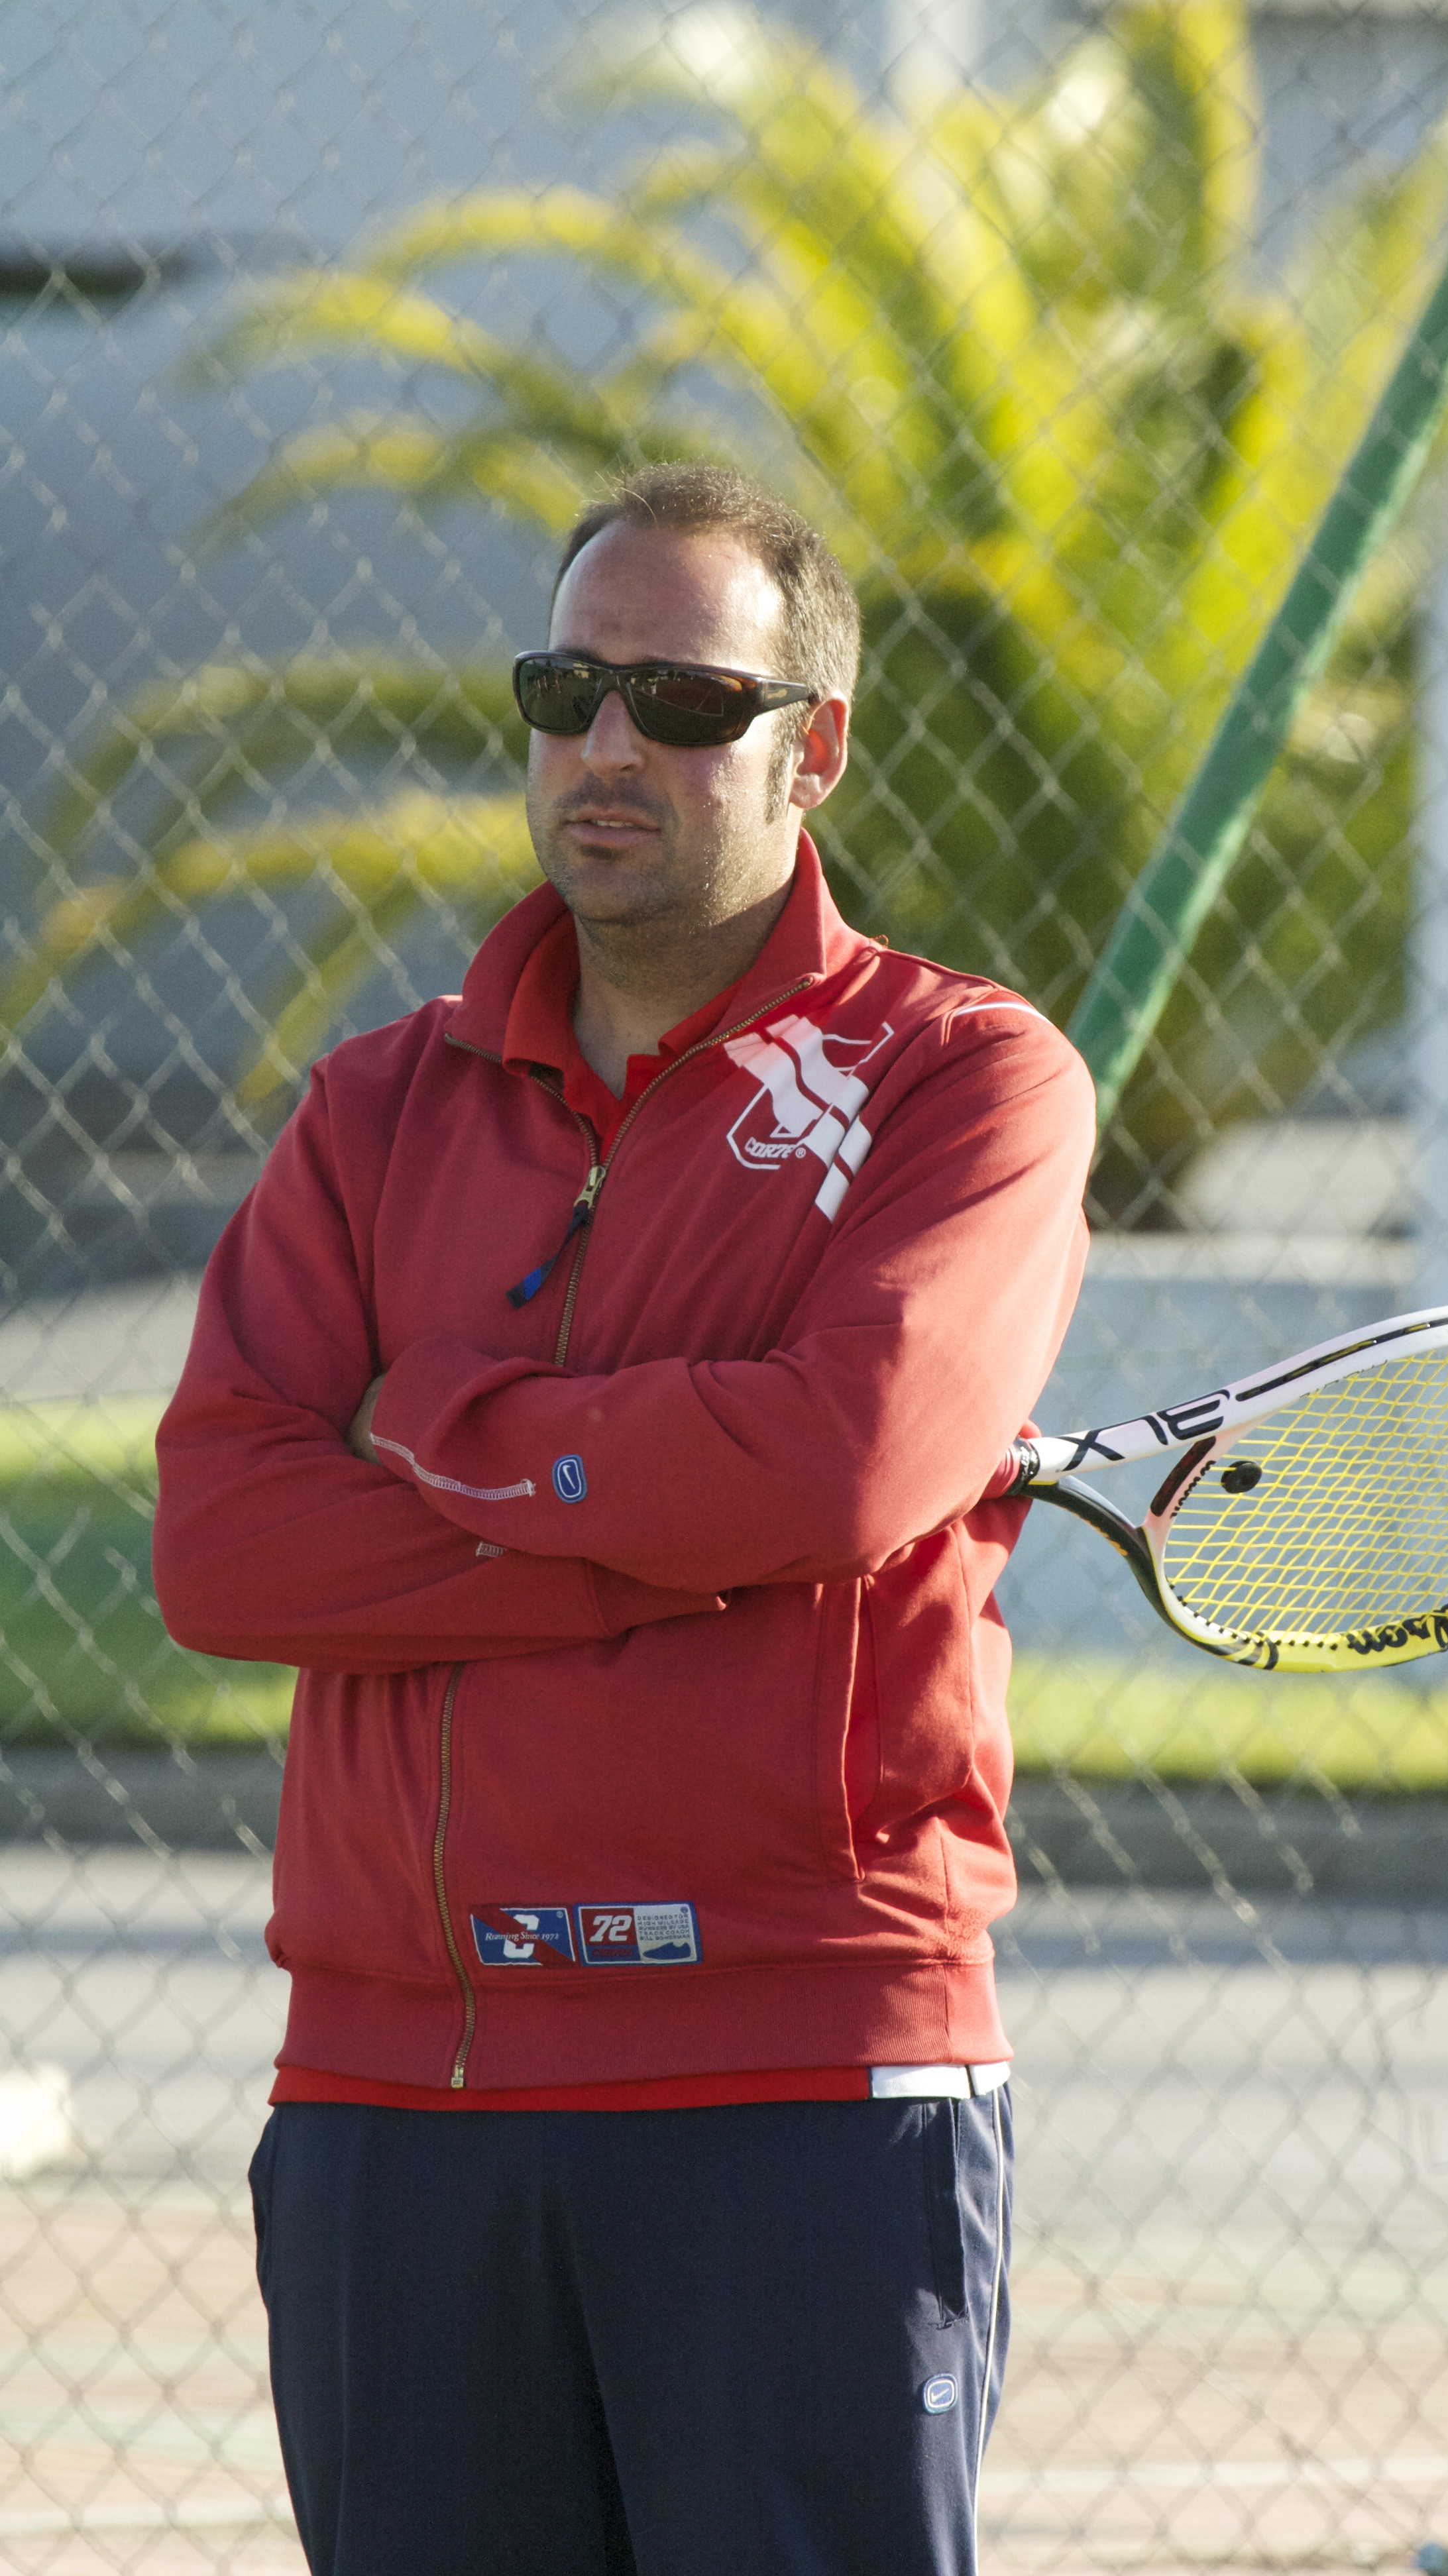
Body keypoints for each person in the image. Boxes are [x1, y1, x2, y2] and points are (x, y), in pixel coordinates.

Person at [153, 463, 1095, 2576]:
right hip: (395, 2097)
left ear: (810, 749)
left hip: (798, 2079)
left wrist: (431, 1431)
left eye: (679, 702)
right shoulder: (376, 1108)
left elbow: (840, 1468)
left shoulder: (965, 1082)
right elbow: (221, 1542)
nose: (606, 746)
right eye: (565, 689)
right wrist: (671, 1538)